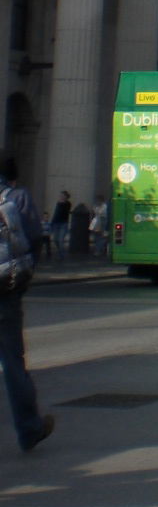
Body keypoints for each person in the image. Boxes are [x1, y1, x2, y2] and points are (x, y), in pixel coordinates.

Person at [0, 150, 54, 452]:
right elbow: (33, 239)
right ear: (13, 175)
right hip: (5, 289)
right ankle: (29, 429)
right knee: (12, 363)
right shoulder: (16, 197)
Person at [49, 191, 71, 261]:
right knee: (55, 239)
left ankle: (62, 256)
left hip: (63, 224)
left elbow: (64, 211)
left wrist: (61, 202)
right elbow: (56, 213)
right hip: (56, 223)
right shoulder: (58, 203)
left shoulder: (68, 204)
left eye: (62, 195)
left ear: (66, 196)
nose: (61, 196)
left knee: (61, 240)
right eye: (60, 195)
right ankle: (60, 252)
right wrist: (52, 222)